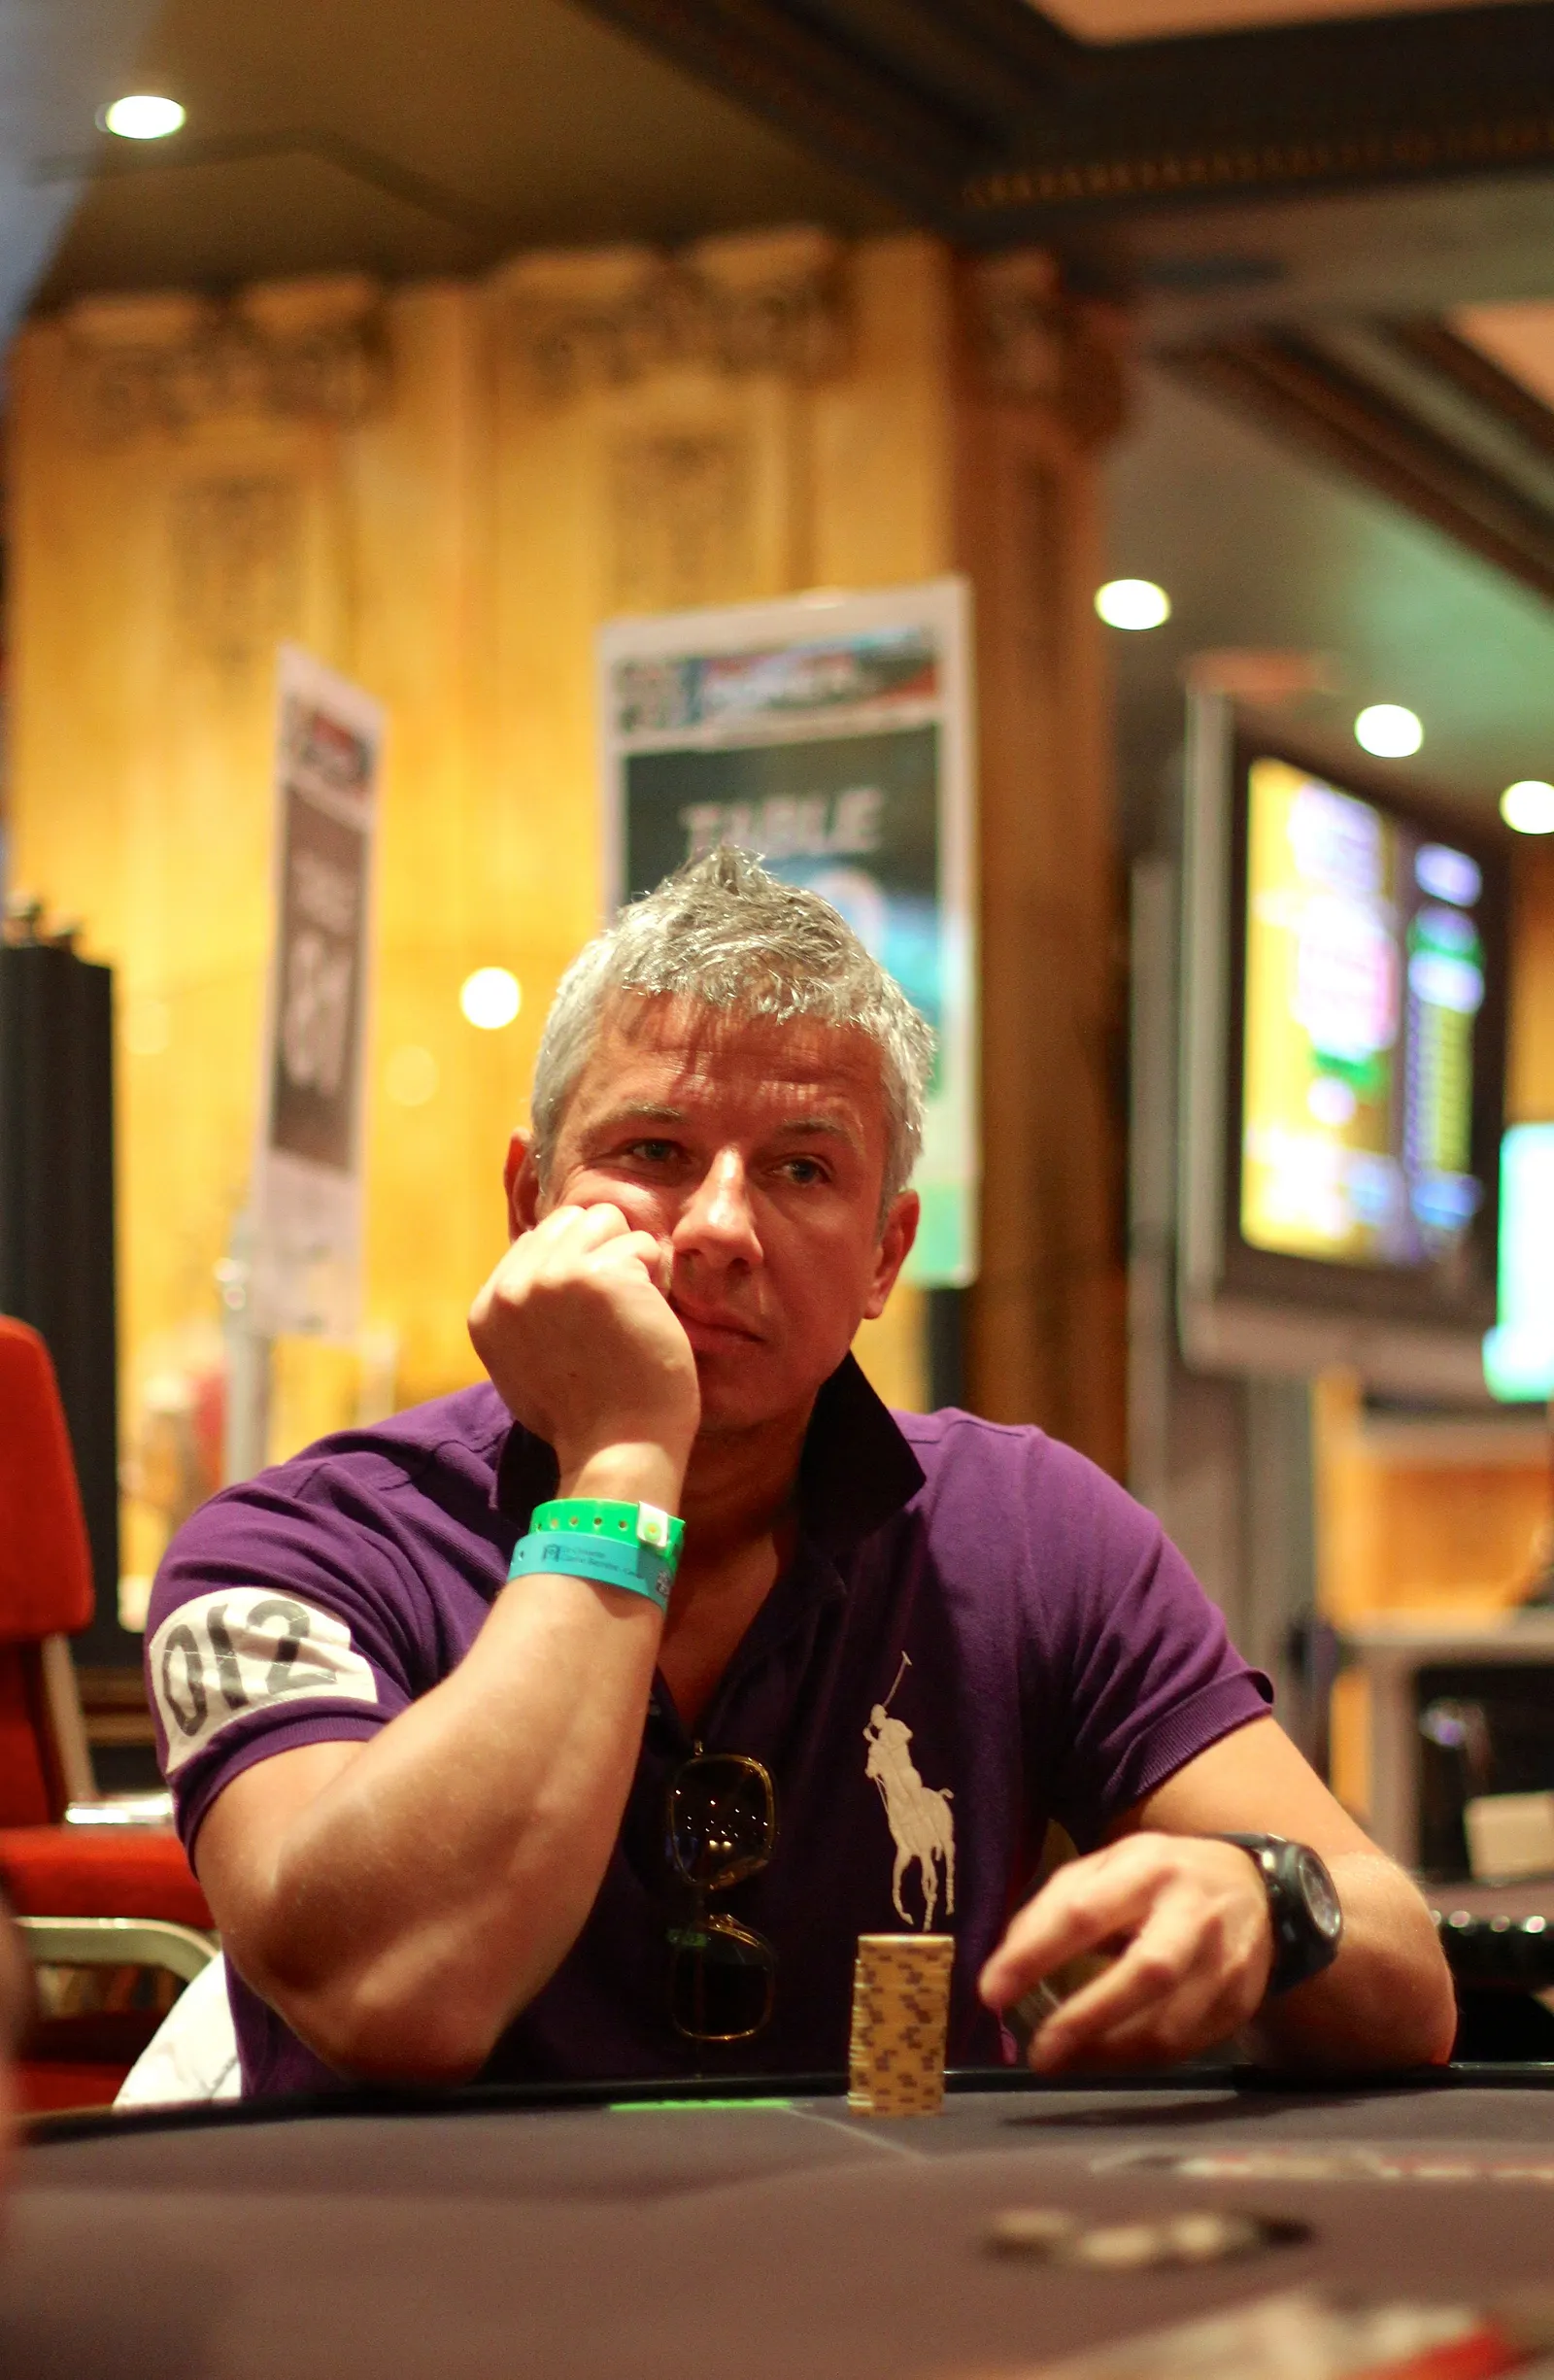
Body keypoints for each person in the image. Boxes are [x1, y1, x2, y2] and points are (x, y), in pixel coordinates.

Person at [146, 850, 1455, 2095]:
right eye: (653, 1152)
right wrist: (622, 1464)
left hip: (897, 2251)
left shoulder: (1030, 1533)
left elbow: (1408, 1978)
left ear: (886, 1255)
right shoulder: (290, 1548)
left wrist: (1269, 1899)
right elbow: (390, 1995)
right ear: (530, 1199)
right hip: (438, 2261)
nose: (720, 1227)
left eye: (802, 1169)